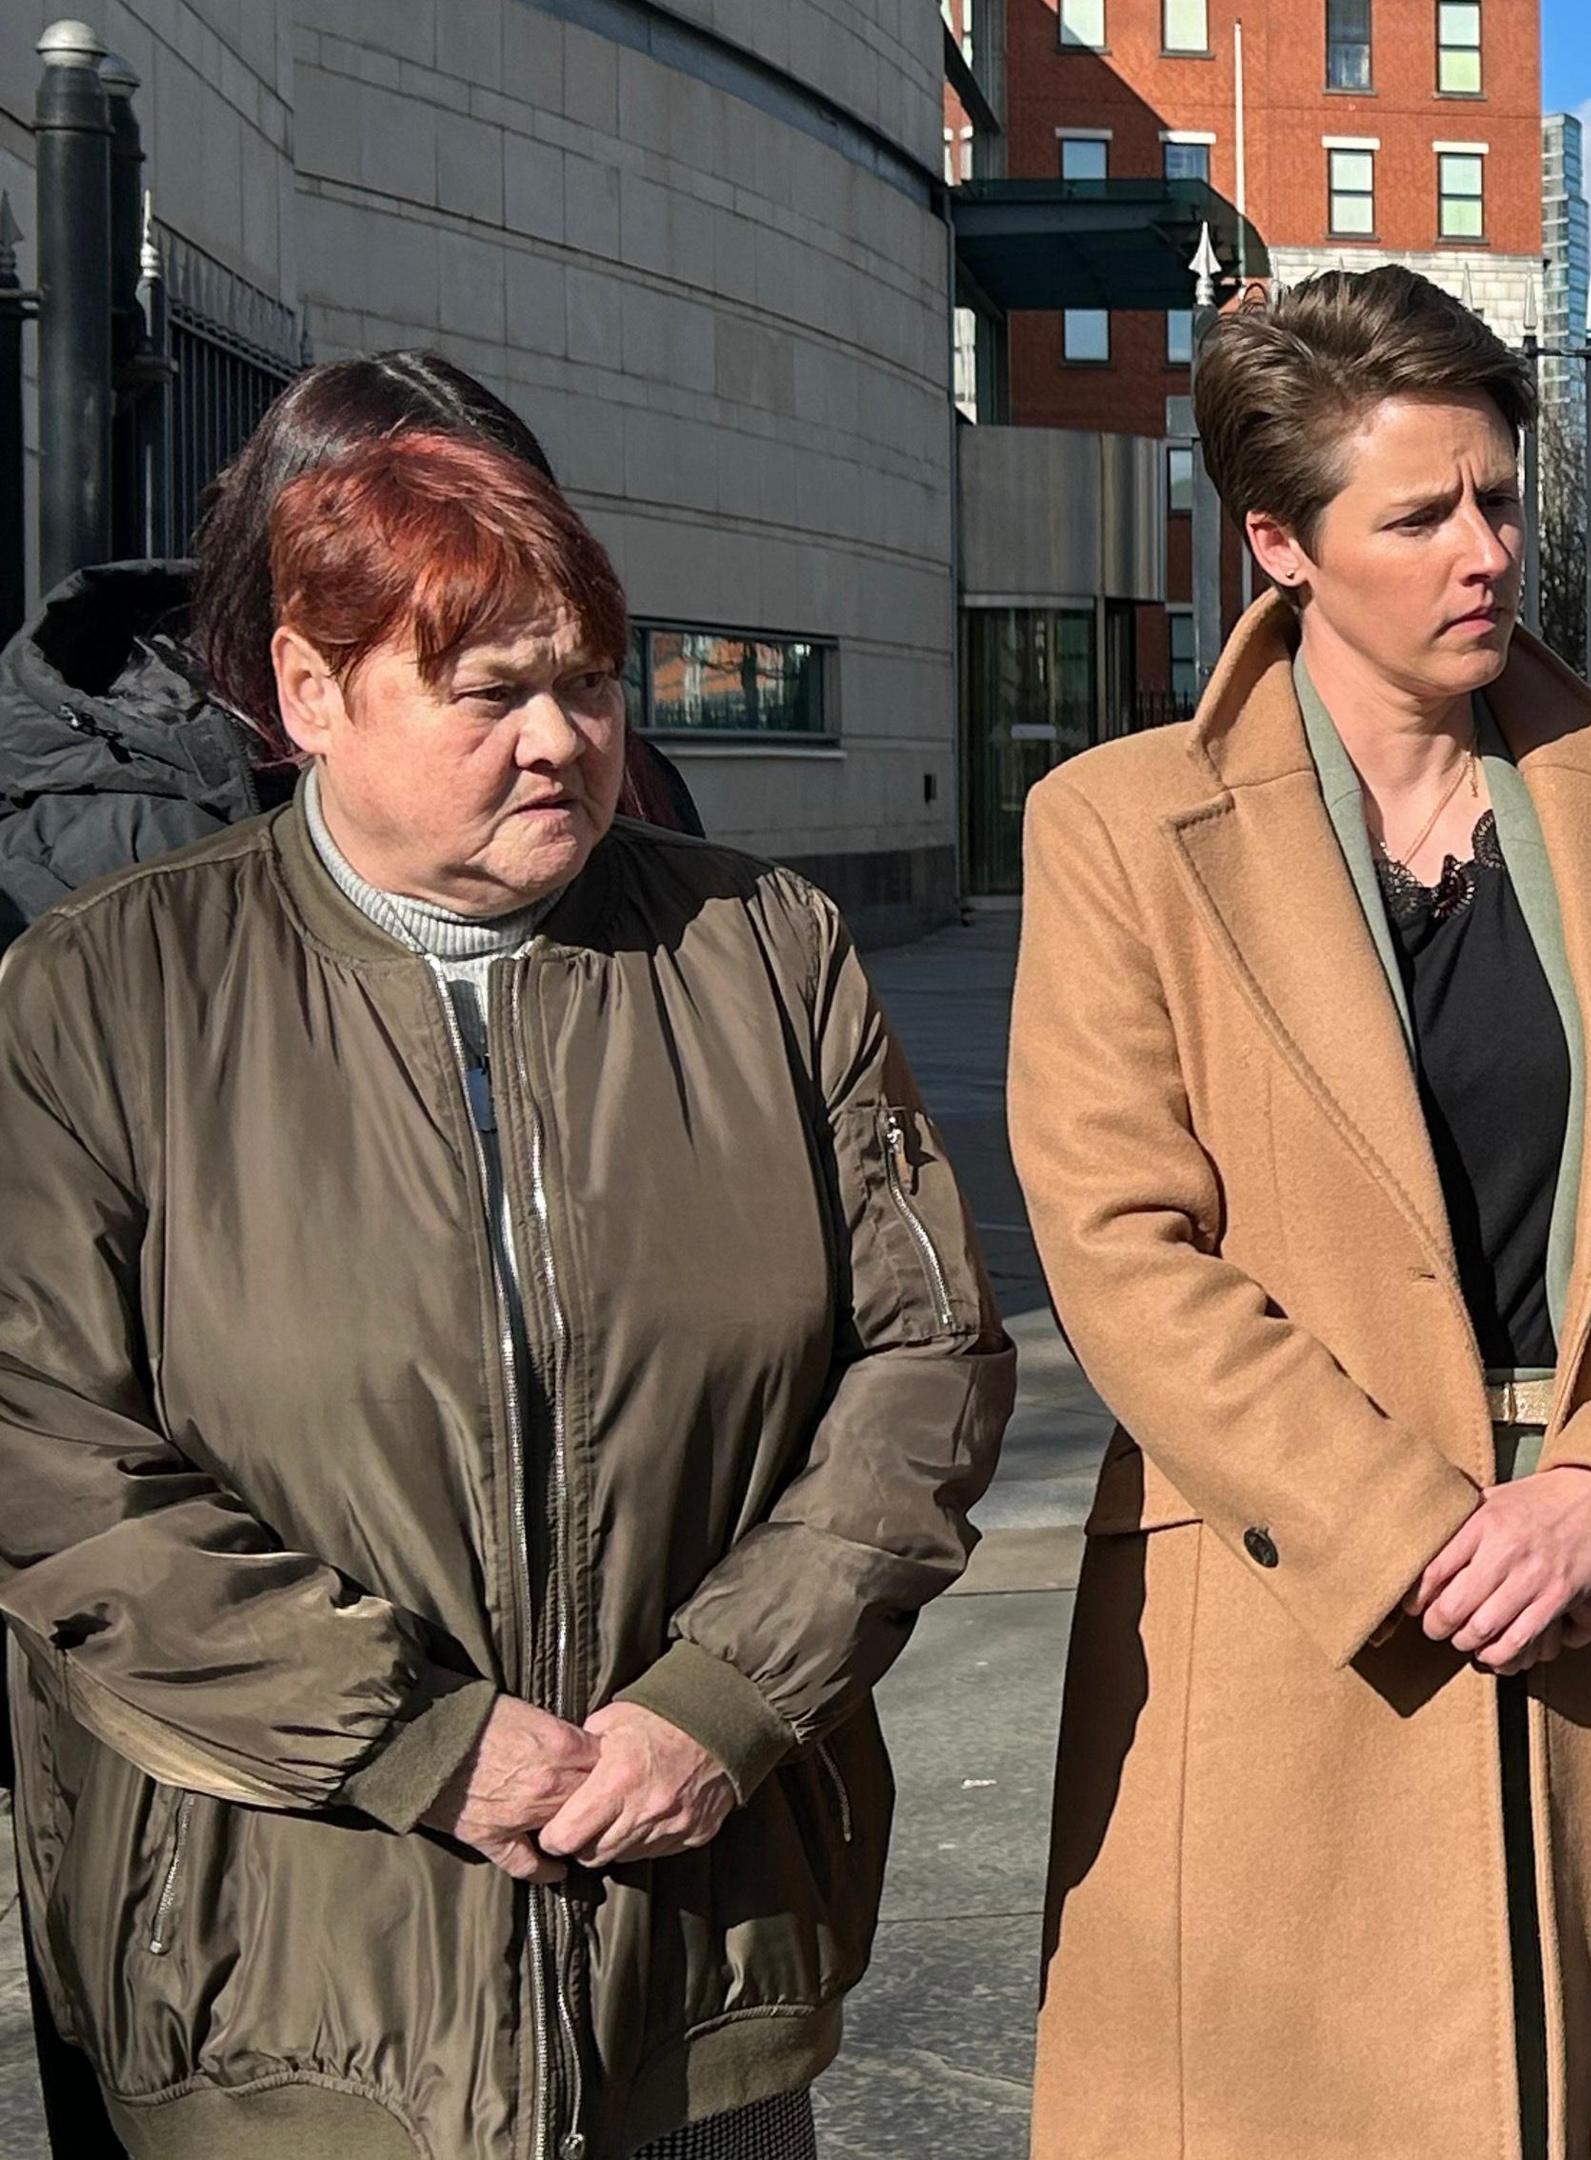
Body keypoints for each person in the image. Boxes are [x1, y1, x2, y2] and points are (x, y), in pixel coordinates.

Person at [0, 426, 1012, 2158]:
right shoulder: (111, 989)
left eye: (593, 683)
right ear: (312, 694)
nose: (561, 740)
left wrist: (723, 1701)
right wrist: (418, 1743)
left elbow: (922, 1363)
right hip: (289, 1985)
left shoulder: (761, 948)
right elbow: (48, 1457)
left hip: (697, 1954)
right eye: (488, 691)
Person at [1011, 266, 1591, 2160]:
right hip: (1294, 1602)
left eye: (1501, 499)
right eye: (1419, 514)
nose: (1483, 552)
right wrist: (1413, 1527)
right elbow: (1123, 1247)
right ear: (1279, 542)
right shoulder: (1119, 827)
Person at [1, 349, 699, 950]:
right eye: (487, 690)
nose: (556, 741)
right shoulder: (122, 853)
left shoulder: (638, 792)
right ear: (306, 680)